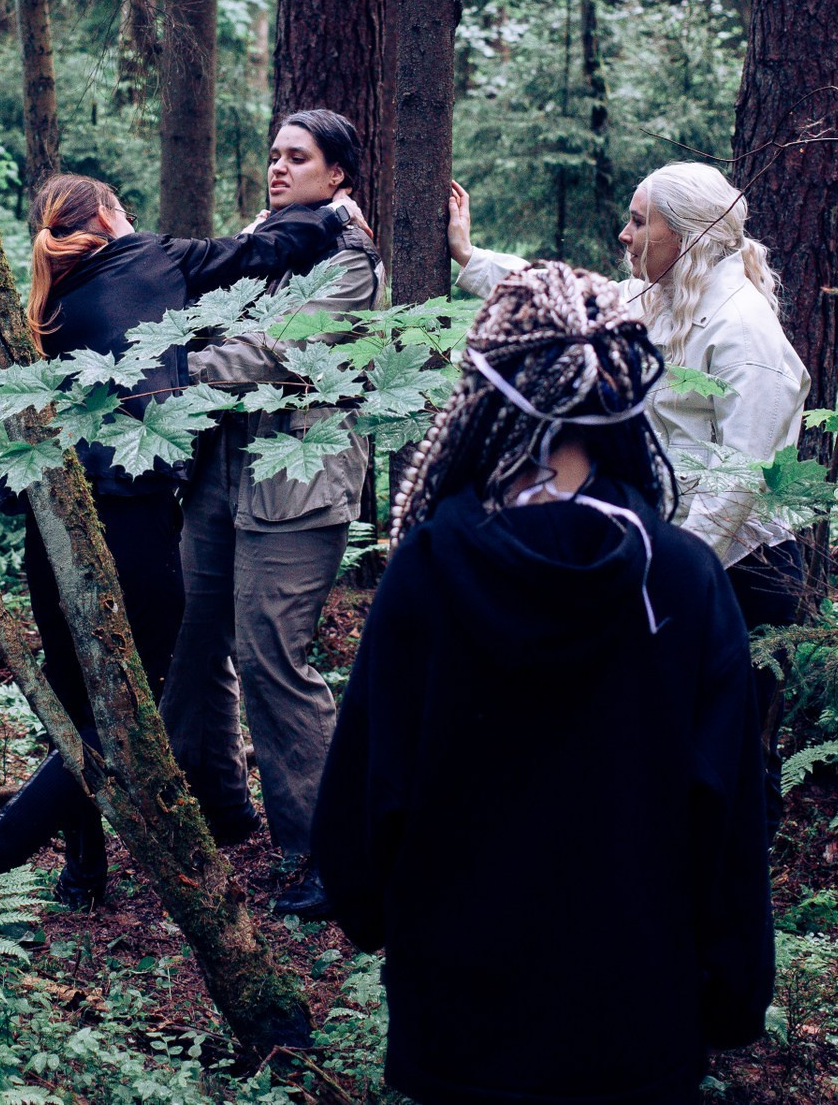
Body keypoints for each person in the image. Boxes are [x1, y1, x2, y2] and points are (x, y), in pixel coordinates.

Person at [312, 260, 775, 1105]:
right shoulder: (684, 577)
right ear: (619, 388)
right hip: (637, 1020)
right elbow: (730, 817)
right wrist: (734, 989)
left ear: (488, 388)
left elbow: (363, 794)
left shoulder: (426, 569)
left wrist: (375, 915)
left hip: (457, 1019)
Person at [0, 172, 357, 907]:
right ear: (108, 215)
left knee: (72, 698)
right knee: (125, 711)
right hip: (131, 521)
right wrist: (334, 215)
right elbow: (264, 251)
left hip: (50, 516)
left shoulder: (45, 301)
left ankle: (84, 873)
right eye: (123, 206)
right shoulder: (150, 257)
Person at [163, 109, 383, 918]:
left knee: (271, 656)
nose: (279, 167)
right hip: (220, 466)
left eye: (299, 156)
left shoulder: (350, 260)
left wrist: (173, 369)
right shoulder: (262, 239)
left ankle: (327, 852)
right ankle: (218, 806)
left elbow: (278, 351)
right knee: (192, 639)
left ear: (337, 174)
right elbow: (204, 305)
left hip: (297, 478)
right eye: (274, 154)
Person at [450, 162, 812, 629]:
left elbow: (739, 477)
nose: (625, 234)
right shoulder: (659, 297)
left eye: (640, 222)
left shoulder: (742, 328)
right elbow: (564, 297)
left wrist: (674, 570)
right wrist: (469, 256)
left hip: (740, 574)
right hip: (670, 554)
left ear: (686, 234)